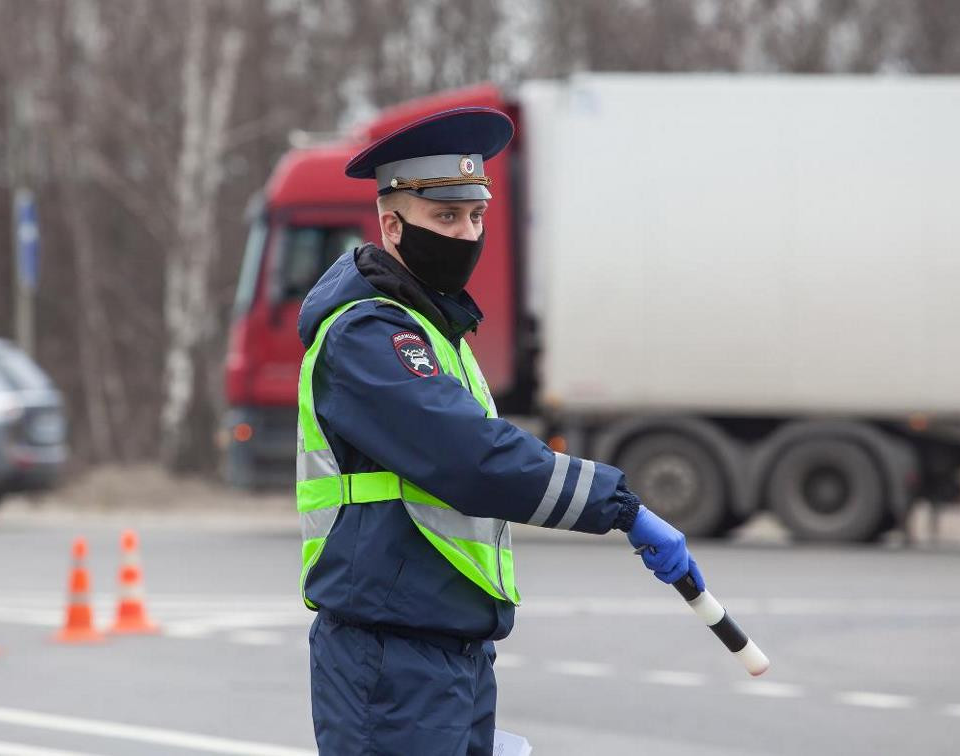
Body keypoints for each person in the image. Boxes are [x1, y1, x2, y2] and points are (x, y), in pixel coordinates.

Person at [297, 106, 704, 755]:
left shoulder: (432, 328)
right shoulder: (369, 335)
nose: (466, 234)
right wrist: (619, 505)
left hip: (447, 650)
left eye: (475, 216)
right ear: (390, 222)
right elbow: (472, 460)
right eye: (446, 217)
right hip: (392, 657)